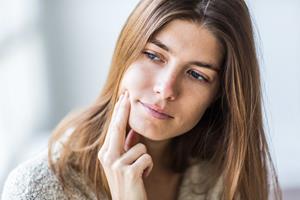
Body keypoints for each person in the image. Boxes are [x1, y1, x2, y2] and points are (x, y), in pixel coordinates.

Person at [2, 0, 282, 199]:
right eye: (153, 55)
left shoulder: (222, 180)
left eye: (196, 74)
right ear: (125, 52)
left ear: (219, 95)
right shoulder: (36, 189)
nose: (166, 88)